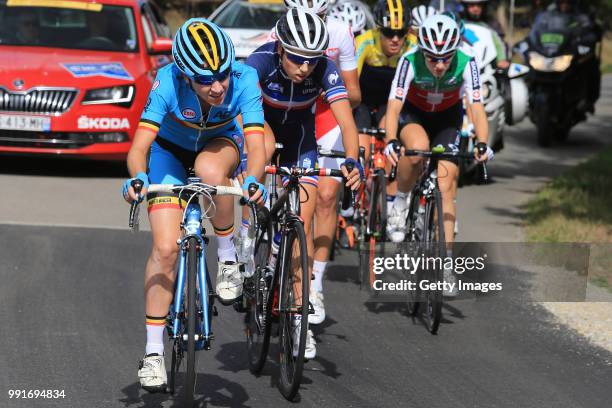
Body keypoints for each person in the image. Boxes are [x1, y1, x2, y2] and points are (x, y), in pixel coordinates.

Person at [122, 18, 267, 392]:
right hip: (168, 153)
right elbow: (139, 147)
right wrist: (139, 178)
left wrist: (252, 177)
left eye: (221, 75)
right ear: (185, 76)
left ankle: (228, 258)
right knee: (166, 249)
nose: (217, 86)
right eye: (204, 80)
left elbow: (255, 143)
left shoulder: (245, 77)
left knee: (209, 173)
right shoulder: (167, 81)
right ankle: (154, 353)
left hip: (219, 145)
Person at [246, 9, 362, 359]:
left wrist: (352, 161)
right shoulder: (260, 61)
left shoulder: (325, 70)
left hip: (301, 138)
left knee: (302, 230)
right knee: (262, 149)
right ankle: (247, 232)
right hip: (261, 125)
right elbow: (241, 109)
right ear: (281, 48)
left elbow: (347, 123)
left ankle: (300, 322)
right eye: (297, 58)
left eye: (312, 60)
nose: (305, 67)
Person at [383, 14, 493, 295]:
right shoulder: (409, 60)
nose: (441, 65)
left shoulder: (467, 62)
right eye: (433, 58)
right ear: (423, 51)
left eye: (446, 58)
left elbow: (477, 106)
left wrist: (482, 142)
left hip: (447, 119)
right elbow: (394, 105)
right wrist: (391, 139)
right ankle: (401, 200)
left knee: (446, 185)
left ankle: (445, 266)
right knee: (417, 150)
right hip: (414, 115)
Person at [352, 0, 416, 239]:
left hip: (390, 104)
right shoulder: (364, 42)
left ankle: (389, 204)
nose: (395, 39)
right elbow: (351, 84)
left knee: (391, 146)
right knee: (360, 146)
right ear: (378, 29)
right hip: (363, 100)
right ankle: (354, 197)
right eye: (389, 33)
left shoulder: (413, 45)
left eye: (401, 33)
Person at [459, 0, 509, 69]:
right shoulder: (458, 21)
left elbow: (499, 43)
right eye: (472, 6)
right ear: (465, 6)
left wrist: (501, 59)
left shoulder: (491, 23)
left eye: (479, 5)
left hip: (486, 65)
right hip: (462, 63)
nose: (476, 9)